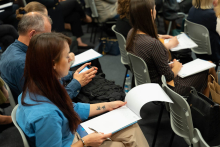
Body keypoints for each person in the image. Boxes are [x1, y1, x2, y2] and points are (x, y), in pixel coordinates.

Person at [16, 32, 149, 147]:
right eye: (67, 56)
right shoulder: (46, 115)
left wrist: (108, 106)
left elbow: (70, 108)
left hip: (70, 133)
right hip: (73, 140)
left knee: (131, 128)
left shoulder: (39, 85)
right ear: (53, 64)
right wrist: (85, 142)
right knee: (122, 142)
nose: (70, 59)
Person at [126, 0, 217, 96]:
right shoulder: (153, 44)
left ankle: (201, 106)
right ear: (151, 12)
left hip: (150, 84)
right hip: (165, 88)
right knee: (209, 68)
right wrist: (177, 66)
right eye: (155, 8)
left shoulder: (131, 33)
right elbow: (169, 76)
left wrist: (168, 66)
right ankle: (205, 107)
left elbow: (150, 62)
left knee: (208, 67)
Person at [0, 12, 96, 102]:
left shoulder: (14, 49)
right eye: (47, 35)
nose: (49, 39)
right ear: (32, 34)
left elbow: (46, 77)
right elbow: (48, 102)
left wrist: (74, 74)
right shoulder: (23, 63)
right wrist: (76, 83)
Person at [26, 0, 93, 49]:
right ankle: (85, 18)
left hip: (54, 6)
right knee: (73, 2)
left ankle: (79, 41)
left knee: (75, 15)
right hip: (47, 9)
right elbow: (45, 2)